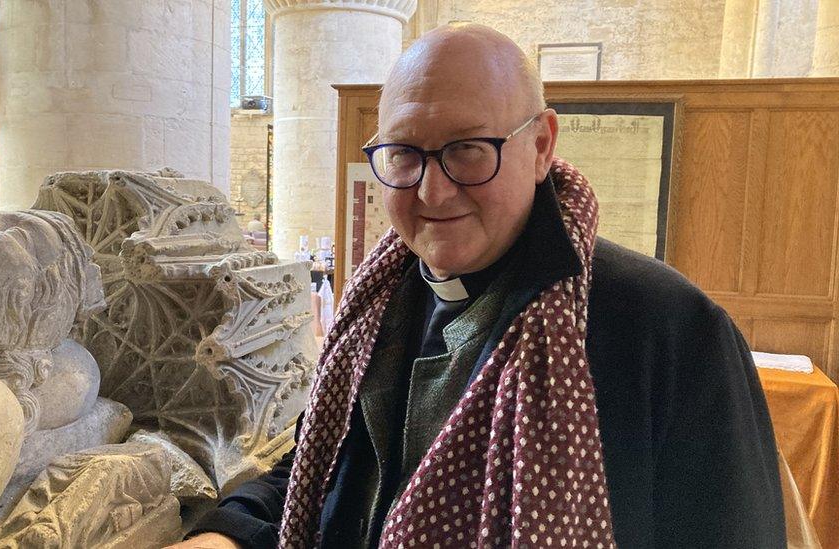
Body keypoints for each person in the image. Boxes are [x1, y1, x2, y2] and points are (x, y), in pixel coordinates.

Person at [173, 23, 785, 549]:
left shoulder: (667, 329)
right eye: (405, 153)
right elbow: (324, 468)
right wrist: (228, 531)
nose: (433, 191)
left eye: (468, 150)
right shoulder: (379, 303)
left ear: (541, 145)